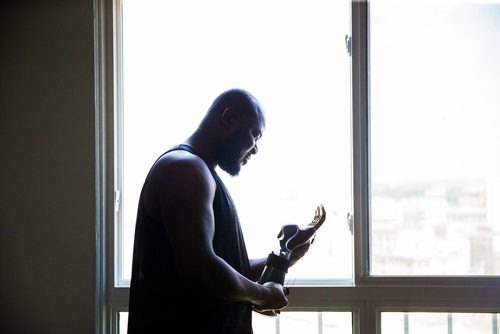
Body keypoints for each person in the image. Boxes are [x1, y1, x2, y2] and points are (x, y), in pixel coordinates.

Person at [127, 88, 325, 333]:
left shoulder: (200, 173)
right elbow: (202, 270)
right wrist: (263, 295)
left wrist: (283, 256)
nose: (255, 148)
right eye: (254, 134)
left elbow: (224, 268)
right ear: (228, 119)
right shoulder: (184, 170)